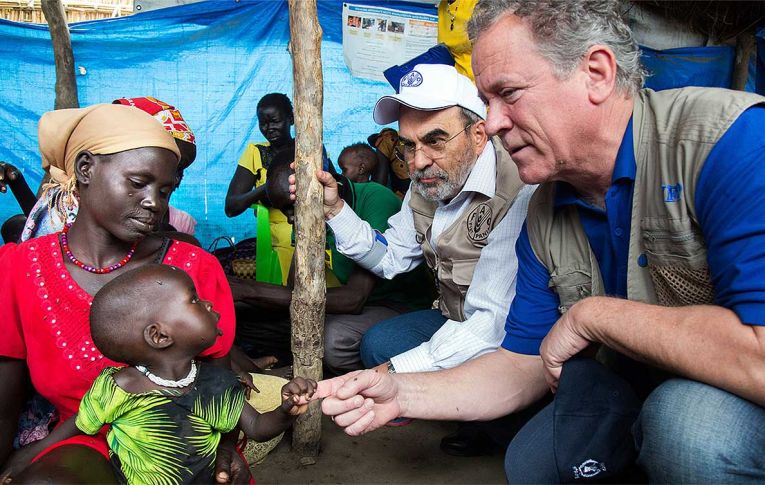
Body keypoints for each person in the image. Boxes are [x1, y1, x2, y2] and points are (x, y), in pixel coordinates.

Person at [318, 1, 765, 483]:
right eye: (488, 101)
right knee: (532, 464)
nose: (492, 123)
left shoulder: (729, 144)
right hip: (628, 377)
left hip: (721, 394)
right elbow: (520, 361)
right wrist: (402, 393)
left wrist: (593, 316)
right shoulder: (546, 204)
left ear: (595, 72)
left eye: (508, 93)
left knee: (689, 426)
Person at [0, 104, 253, 483]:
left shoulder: (192, 268)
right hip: (82, 440)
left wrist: (226, 448)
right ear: (85, 170)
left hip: (179, 445)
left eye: (165, 190)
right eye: (138, 183)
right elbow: (6, 399)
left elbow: (217, 381)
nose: (155, 201)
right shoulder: (21, 267)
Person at [307, 62, 535, 448]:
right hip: (454, 316)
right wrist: (334, 211)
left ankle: (501, 424)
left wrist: (393, 373)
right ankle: (457, 404)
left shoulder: (518, 187)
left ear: (479, 135)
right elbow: (391, 257)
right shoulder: (425, 184)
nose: (418, 161)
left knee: (396, 357)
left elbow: (492, 323)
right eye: (409, 145)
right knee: (379, 341)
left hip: (509, 332)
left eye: (435, 140)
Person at [1, 264, 316, 484]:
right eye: (193, 300)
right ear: (160, 336)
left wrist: (286, 410)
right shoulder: (120, 386)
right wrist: (36, 450)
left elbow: (259, 427)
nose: (207, 302)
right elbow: (81, 423)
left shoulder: (218, 384)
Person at [230, 148, 434, 373]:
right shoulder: (307, 216)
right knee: (241, 317)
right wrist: (244, 298)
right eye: (284, 212)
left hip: (396, 306)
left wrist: (249, 290)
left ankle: (361, 380)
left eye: (291, 209)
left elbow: (354, 299)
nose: (290, 219)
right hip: (359, 309)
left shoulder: (375, 199)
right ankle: (283, 369)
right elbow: (294, 289)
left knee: (333, 338)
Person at [21, 96, 199, 241]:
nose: (174, 177)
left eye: (180, 168)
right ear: (86, 168)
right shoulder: (61, 217)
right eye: (138, 182)